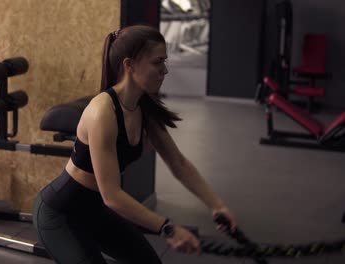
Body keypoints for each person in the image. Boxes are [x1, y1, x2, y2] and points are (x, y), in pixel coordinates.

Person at [33, 25, 237, 264]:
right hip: (60, 214)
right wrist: (167, 228)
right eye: (157, 62)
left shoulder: (144, 109)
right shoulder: (103, 112)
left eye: (165, 61)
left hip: (95, 211)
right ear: (129, 65)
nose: (165, 70)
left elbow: (178, 164)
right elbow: (112, 196)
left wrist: (217, 205)